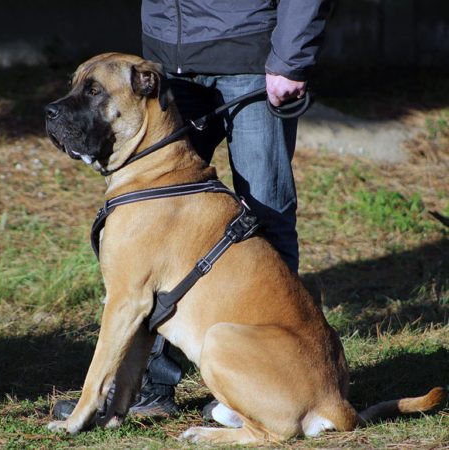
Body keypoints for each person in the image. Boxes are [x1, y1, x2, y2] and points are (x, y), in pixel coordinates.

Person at [55, 0, 331, 421]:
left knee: (264, 218)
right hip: (170, 57)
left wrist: (291, 58)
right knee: (164, 248)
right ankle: (153, 386)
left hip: (253, 54)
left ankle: (282, 387)